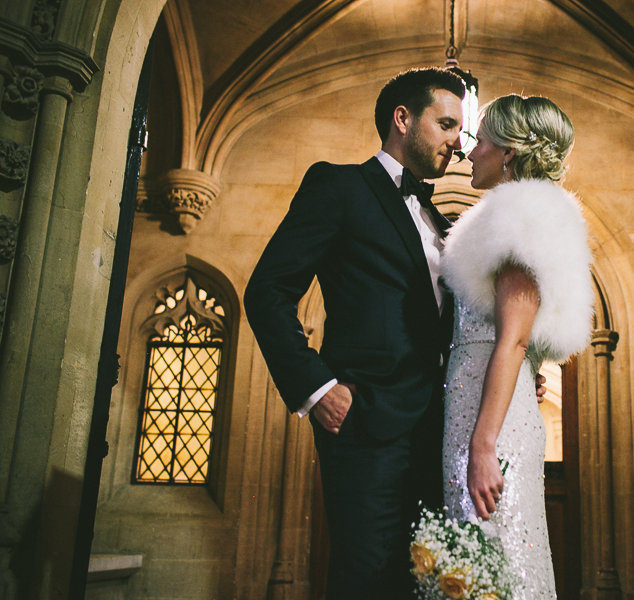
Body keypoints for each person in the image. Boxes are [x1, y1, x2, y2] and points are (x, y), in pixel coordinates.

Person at [244, 67, 466, 600]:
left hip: (434, 431)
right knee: (365, 579)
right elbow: (267, 292)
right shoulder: (340, 186)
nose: (457, 144)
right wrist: (318, 389)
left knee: (422, 583)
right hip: (366, 423)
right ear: (402, 118)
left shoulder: (436, 216)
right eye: (447, 125)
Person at [440, 94, 594, 599]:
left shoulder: (522, 218)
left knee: (501, 552)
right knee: (477, 556)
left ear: (507, 152)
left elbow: (515, 336)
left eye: (479, 141)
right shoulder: (508, 217)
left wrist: (483, 447)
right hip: (477, 409)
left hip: (491, 426)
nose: (469, 153)